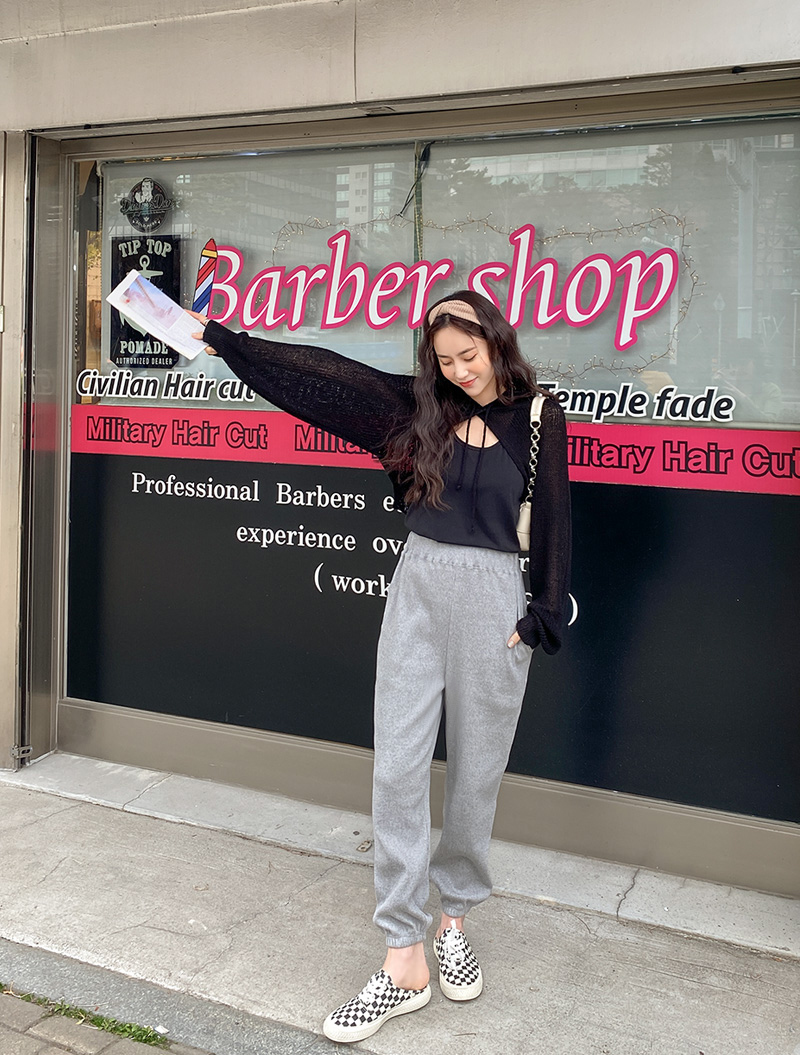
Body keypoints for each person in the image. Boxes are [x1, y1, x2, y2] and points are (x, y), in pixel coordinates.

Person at [190, 289, 571, 1044]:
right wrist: (231, 345)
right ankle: (403, 954)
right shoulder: (415, 411)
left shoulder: (538, 416)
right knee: (397, 766)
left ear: (498, 343)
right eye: (444, 359)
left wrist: (541, 616)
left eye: (470, 355)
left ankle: (454, 918)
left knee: (476, 772)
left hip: (496, 598)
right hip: (418, 586)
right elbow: (321, 380)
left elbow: (557, 519)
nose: (459, 371)